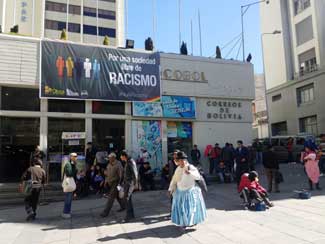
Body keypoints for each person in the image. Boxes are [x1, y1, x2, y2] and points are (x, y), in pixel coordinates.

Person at [168, 151, 207, 229]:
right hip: (180, 192)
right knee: (182, 209)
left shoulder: (190, 167)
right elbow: (174, 180)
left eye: (183, 160)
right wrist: (171, 189)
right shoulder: (178, 169)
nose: (182, 162)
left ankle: (191, 221)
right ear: (177, 161)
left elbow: (197, 176)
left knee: (190, 209)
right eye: (180, 160)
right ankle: (184, 222)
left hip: (190, 192)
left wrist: (190, 173)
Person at [100, 152, 125, 217]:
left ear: (113, 158)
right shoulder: (109, 164)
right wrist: (106, 181)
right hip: (110, 183)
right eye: (108, 158)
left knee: (111, 198)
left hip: (116, 183)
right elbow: (107, 174)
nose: (109, 159)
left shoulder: (118, 164)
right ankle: (123, 206)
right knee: (117, 196)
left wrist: (119, 184)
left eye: (110, 158)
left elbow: (121, 175)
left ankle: (105, 212)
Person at [120, 151, 138, 222]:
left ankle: (128, 216)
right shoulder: (128, 161)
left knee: (126, 199)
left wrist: (136, 183)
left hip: (130, 183)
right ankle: (131, 215)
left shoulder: (130, 162)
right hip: (127, 183)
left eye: (121, 156)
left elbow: (134, 173)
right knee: (128, 199)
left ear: (124, 156)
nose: (121, 158)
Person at [62, 152, 78, 219]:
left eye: (76, 156)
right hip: (68, 183)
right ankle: (66, 213)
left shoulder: (72, 164)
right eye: (73, 156)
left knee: (69, 199)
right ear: (70, 157)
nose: (75, 157)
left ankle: (67, 211)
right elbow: (69, 173)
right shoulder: (68, 164)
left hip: (70, 183)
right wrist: (75, 170)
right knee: (68, 199)